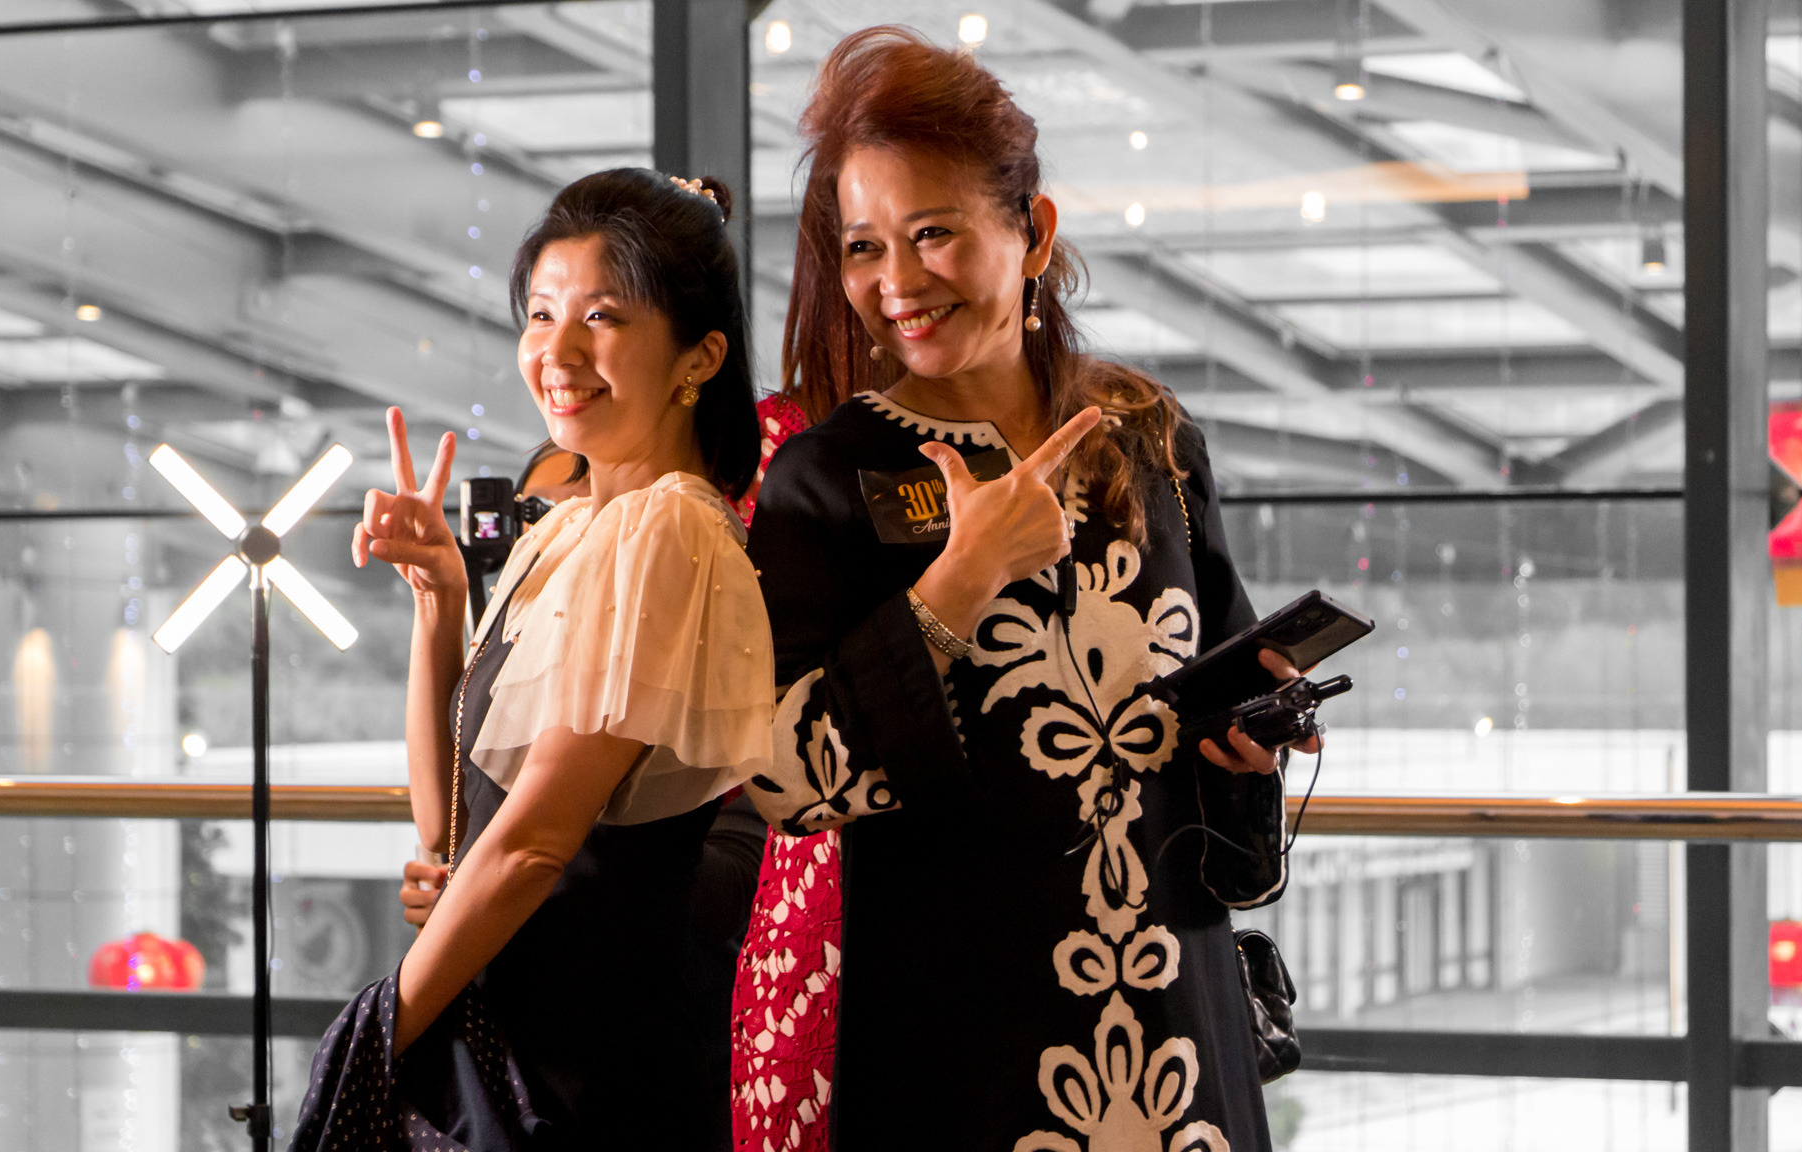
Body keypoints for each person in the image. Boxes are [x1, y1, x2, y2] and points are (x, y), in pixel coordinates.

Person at [735, 29, 1314, 1152]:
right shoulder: (827, 477)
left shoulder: (1150, 438)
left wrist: (1252, 745)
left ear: (1032, 232)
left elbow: (1216, 699)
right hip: (961, 1053)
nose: (896, 282)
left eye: (932, 233)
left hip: (1177, 1046)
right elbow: (781, 776)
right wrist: (958, 582)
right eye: (862, 247)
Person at [292, 167, 770, 1152]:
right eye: (541, 313)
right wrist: (440, 601)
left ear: (699, 355)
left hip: (590, 1077)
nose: (557, 351)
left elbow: (535, 846)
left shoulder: (669, 530)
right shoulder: (568, 530)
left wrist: (376, 1036)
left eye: (602, 317)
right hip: (512, 1051)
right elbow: (453, 827)